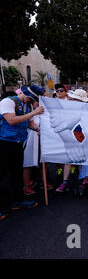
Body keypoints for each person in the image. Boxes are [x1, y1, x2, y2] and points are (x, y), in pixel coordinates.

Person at [0, 85, 44, 220]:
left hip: (18, 143)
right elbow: (11, 120)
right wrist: (34, 113)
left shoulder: (27, 106)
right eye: (31, 99)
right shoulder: (7, 102)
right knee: (2, 176)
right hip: (3, 143)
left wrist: (38, 129)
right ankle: (1, 207)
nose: (32, 102)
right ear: (25, 95)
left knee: (17, 173)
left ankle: (18, 200)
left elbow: (29, 123)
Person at [54, 89, 88, 193]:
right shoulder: (68, 109)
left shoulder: (86, 110)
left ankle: (84, 179)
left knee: (81, 160)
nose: (72, 100)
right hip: (70, 136)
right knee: (68, 160)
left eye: (75, 98)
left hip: (81, 136)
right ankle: (65, 182)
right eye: (73, 98)